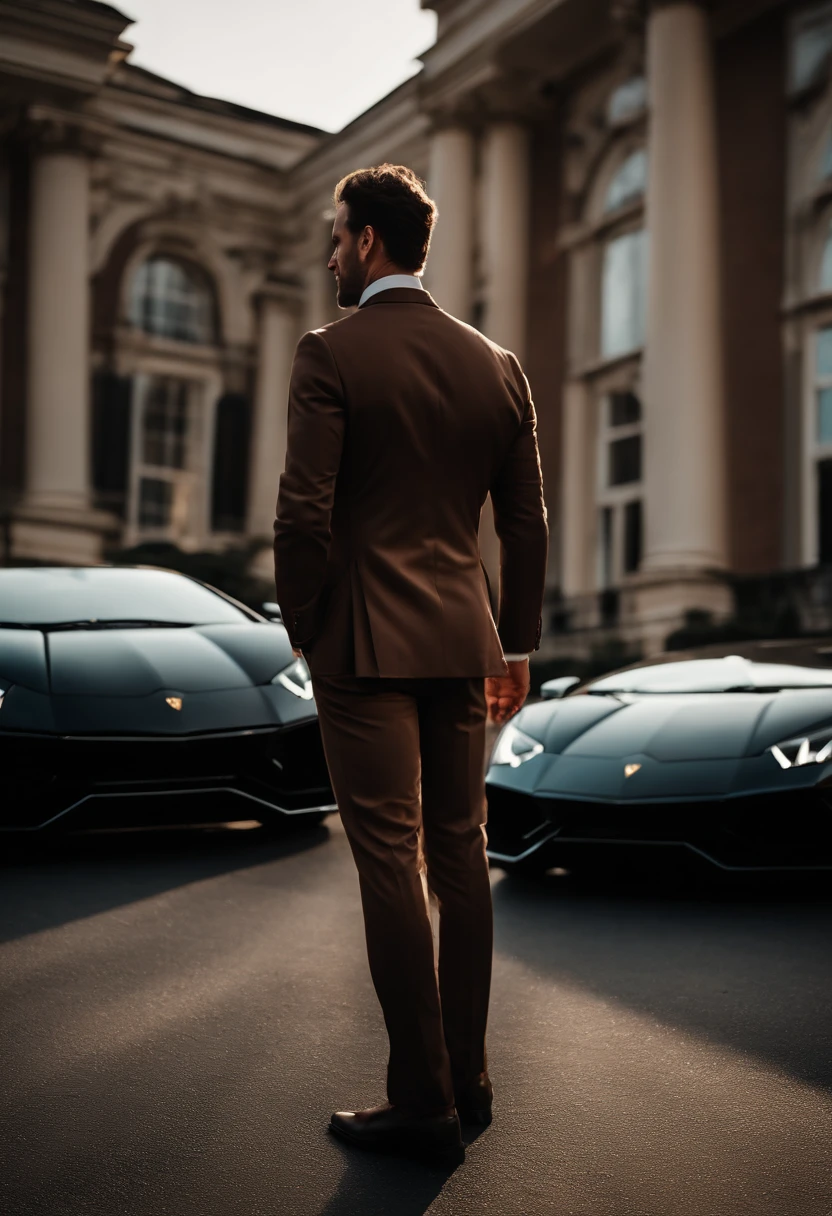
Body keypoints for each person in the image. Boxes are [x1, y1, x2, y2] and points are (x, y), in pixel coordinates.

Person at [274, 163, 548, 1163]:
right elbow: (524, 520)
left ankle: (420, 1096)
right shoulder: (498, 364)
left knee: (388, 853)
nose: (331, 252)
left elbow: (304, 509)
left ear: (371, 241)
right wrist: (514, 640)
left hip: (361, 638)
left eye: (338, 235)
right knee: (460, 852)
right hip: (462, 636)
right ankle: (468, 1078)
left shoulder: (329, 352)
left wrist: (304, 623)